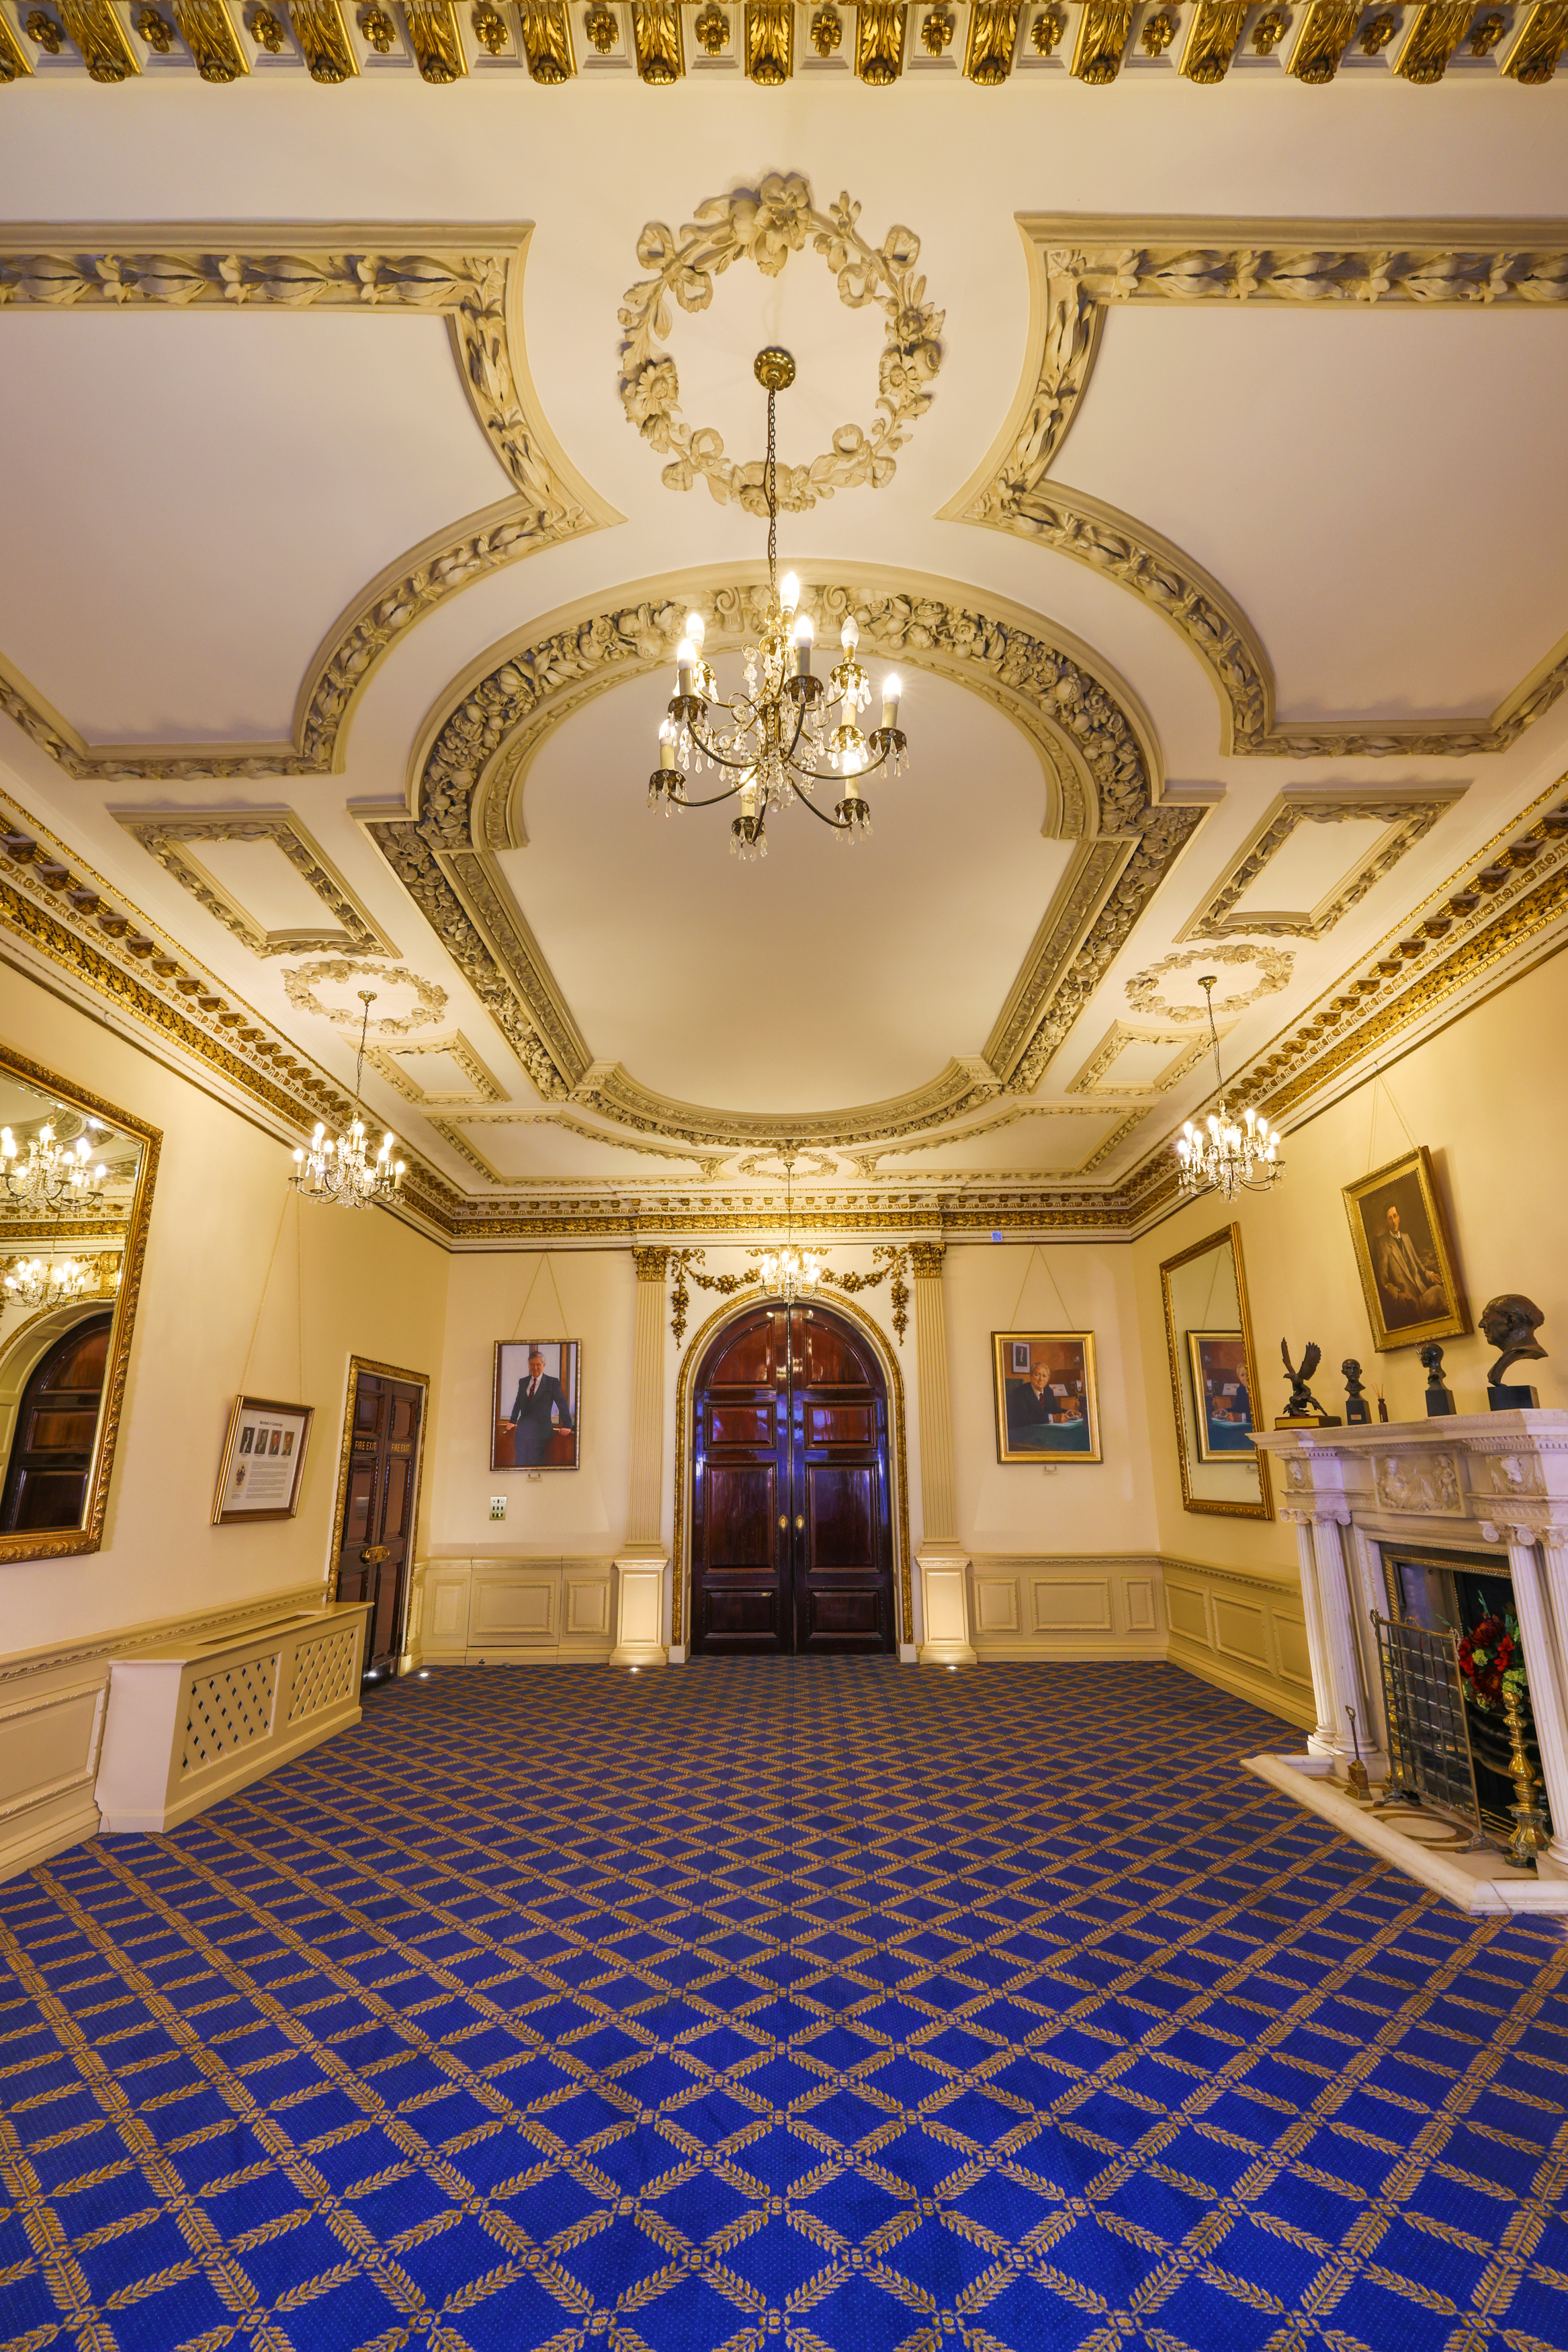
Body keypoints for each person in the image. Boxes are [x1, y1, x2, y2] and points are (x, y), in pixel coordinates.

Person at [1373, 1202, 1447, 1323]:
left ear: (1399, 1218)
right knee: (1439, 1293)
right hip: (1409, 1303)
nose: (1394, 1221)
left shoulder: (1406, 1238)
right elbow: (1384, 1282)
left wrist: (1431, 1275)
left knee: (1440, 1291)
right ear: (1387, 1222)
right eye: (1390, 1218)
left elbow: (1420, 1267)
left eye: (1395, 1216)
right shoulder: (1383, 1245)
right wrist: (1398, 1295)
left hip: (1423, 1296)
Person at [502, 1344, 573, 1466]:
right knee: (519, 1464)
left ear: (543, 1365)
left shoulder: (552, 1382)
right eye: (532, 1365)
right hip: (522, 1433)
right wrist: (513, 1420)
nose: (535, 1368)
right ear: (529, 1366)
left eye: (538, 1364)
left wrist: (567, 1424)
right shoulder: (523, 1382)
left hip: (541, 1433)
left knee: (534, 1467)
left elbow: (562, 1404)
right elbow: (518, 1402)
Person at [1006, 1361, 1086, 1452]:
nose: (1041, 1379)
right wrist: (1052, 1418)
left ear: (1048, 1378)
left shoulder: (1048, 1391)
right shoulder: (1020, 1392)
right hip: (1024, 1435)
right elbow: (1023, 1418)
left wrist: (1068, 1412)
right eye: (1037, 1375)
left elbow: (1055, 1409)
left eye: (1044, 1376)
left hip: (1044, 1433)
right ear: (1031, 1375)